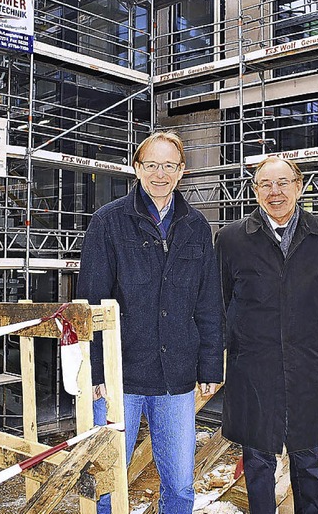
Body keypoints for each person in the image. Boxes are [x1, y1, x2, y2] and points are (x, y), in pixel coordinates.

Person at [77, 130, 224, 514]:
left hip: (176, 374)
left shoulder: (196, 227)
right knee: (106, 479)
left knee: (179, 483)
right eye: (152, 165)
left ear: (182, 171)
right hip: (118, 374)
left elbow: (208, 302)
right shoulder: (108, 222)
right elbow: (88, 303)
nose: (160, 174)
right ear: (137, 168)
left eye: (169, 166)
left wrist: (209, 363)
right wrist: (94, 371)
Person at [215, 156, 318, 514]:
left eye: (284, 183)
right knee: (257, 464)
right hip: (254, 367)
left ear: (299, 186)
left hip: (307, 364)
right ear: (255, 191)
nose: (275, 192)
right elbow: (223, 301)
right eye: (266, 185)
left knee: (308, 463)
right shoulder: (231, 239)